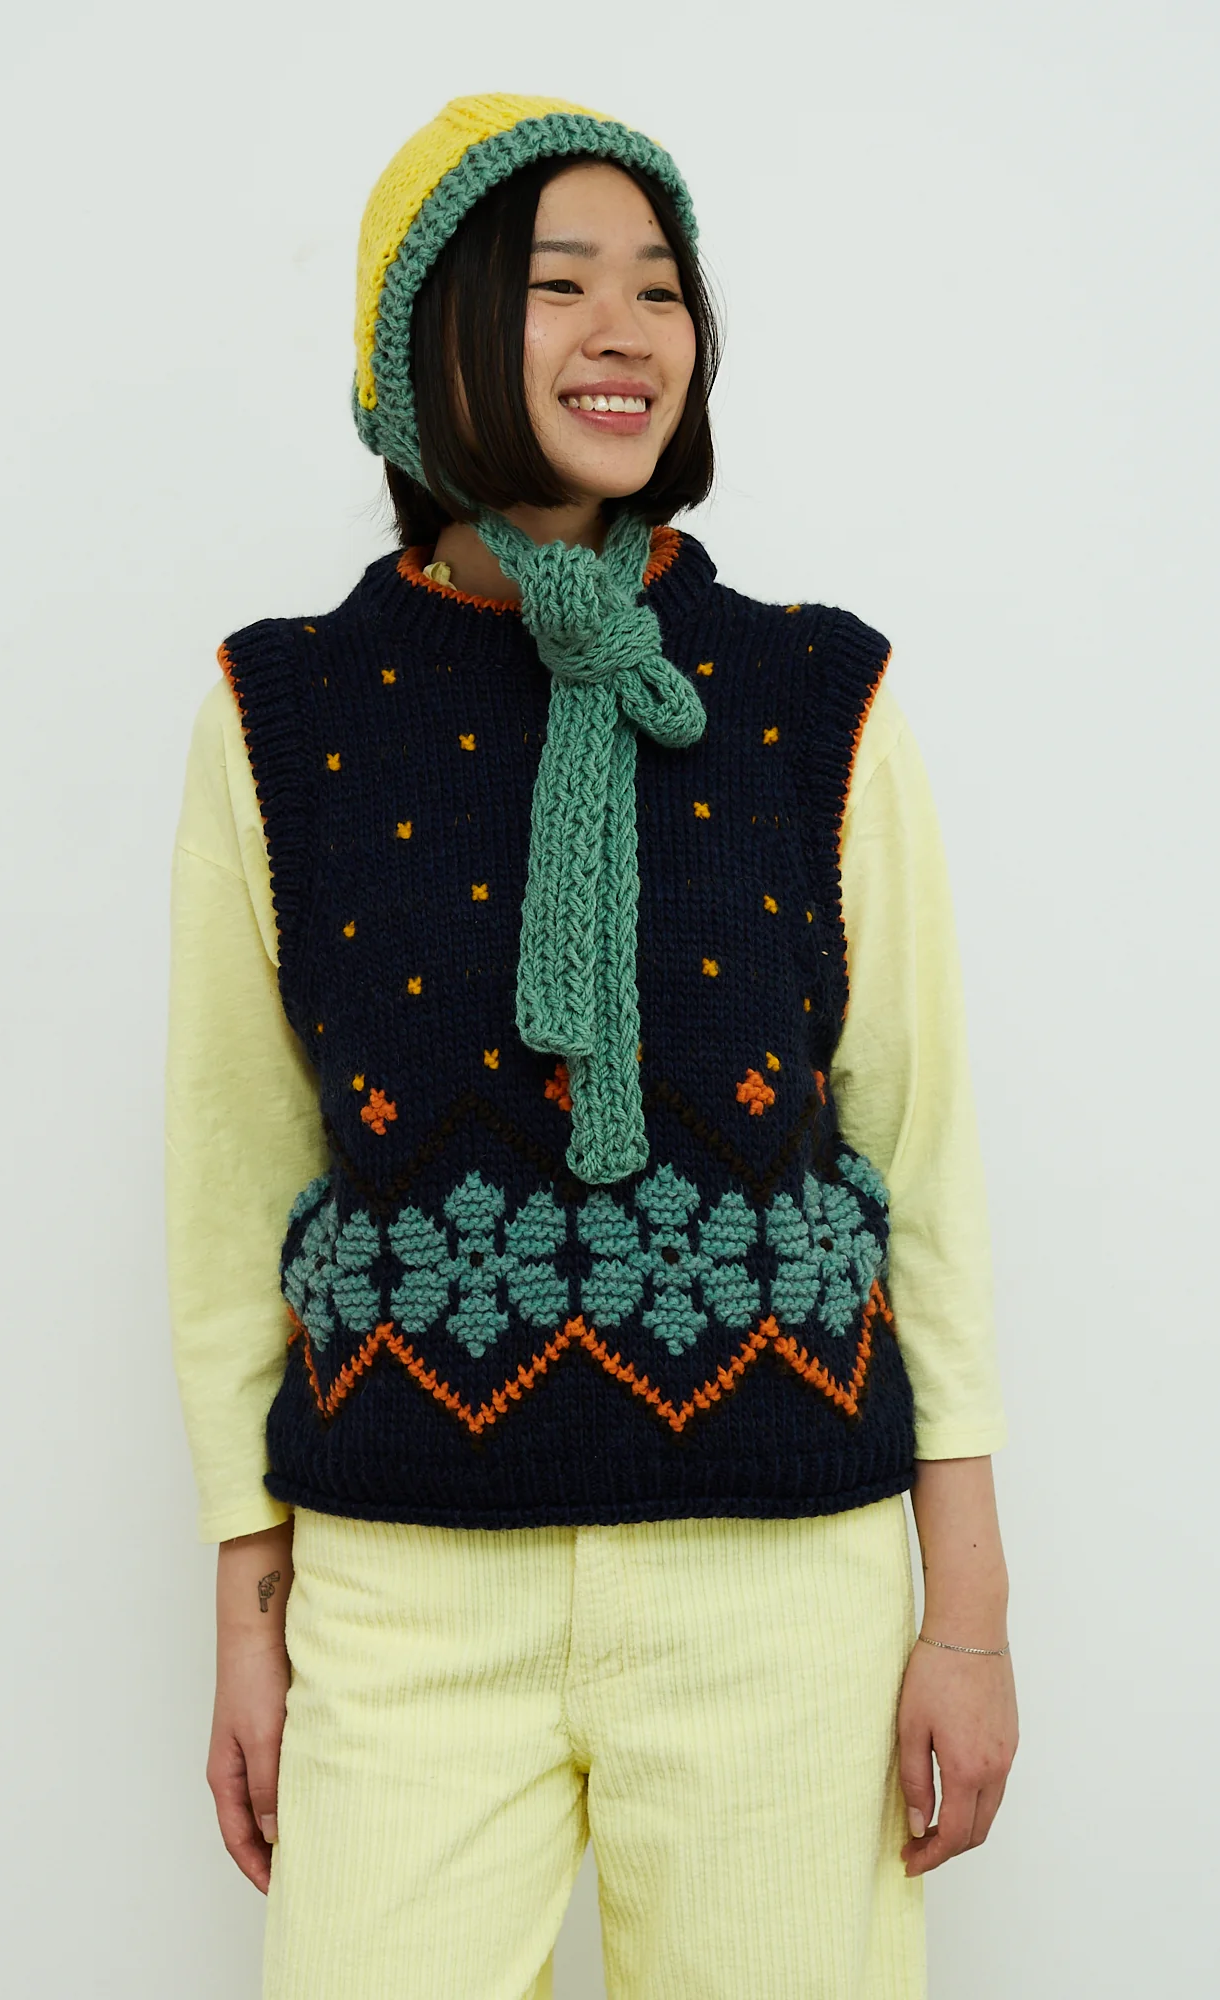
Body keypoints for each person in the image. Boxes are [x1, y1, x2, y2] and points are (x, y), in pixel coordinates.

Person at [166, 92, 1018, 2000]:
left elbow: (923, 1165)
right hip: (403, 1591)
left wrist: (965, 1613)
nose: (625, 330)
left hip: (780, 1591)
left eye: (660, 286)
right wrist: (247, 1610)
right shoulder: (280, 711)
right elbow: (234, 1190)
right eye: (558, 284)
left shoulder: (818, 690)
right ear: (426, 337)